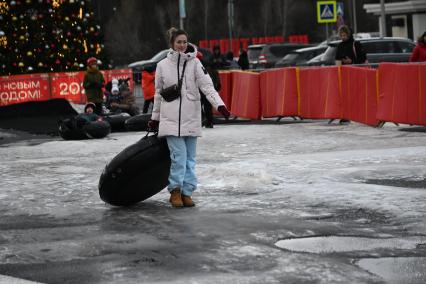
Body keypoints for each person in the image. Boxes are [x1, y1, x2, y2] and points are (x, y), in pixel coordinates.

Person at [148, 27, 230, 208]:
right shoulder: (162, 66)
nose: (182, 45)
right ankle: (175, 191)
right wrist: (155, 118)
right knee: (180, 156)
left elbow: (207, 87)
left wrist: (219, 105)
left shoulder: (195, 64)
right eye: (179, 42)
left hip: (191, 117)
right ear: (172, 44)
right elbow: (158, 95)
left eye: (185, 42)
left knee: (191, 158)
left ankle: (187, 192)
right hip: (170, 120)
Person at [334, 25, 367, 124]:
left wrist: (351, 61)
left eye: (344, 35)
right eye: (341, 35)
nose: (343, 37)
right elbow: (337, 58)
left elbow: (362, 58)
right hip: (344, 75)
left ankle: (357, 114)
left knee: (355, 95)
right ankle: (345, 115)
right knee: (344, 96)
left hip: (355, 74)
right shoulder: (340, 46)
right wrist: (338, 69)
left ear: (349, 34)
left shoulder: (355, 44)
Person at [196, 51, 221, 128]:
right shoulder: (209, 66)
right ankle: (209, 122)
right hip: (208, 90)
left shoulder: (196, 66)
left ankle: (201, 121)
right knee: (208, 106)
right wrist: (217, 86)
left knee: (198, 106)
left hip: (199, 90)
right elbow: (215, 75)